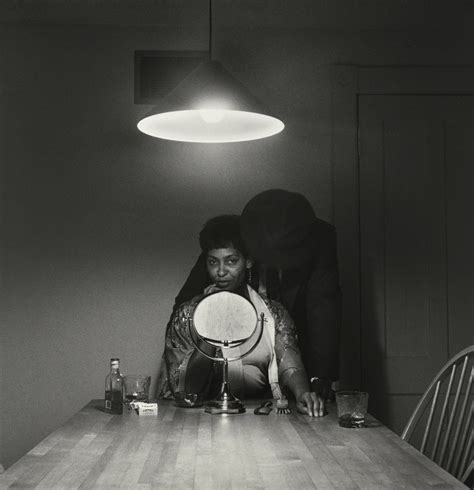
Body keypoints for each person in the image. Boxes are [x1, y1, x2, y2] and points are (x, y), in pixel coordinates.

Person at [172, 190, 341, 417]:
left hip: (274, 381)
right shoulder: (230, 242)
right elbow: (184, 382)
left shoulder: (319, 239)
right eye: (215, 262)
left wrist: (315, 381)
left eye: (232, 261)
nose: (221, 271)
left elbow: (323, 308)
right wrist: (199, 320)